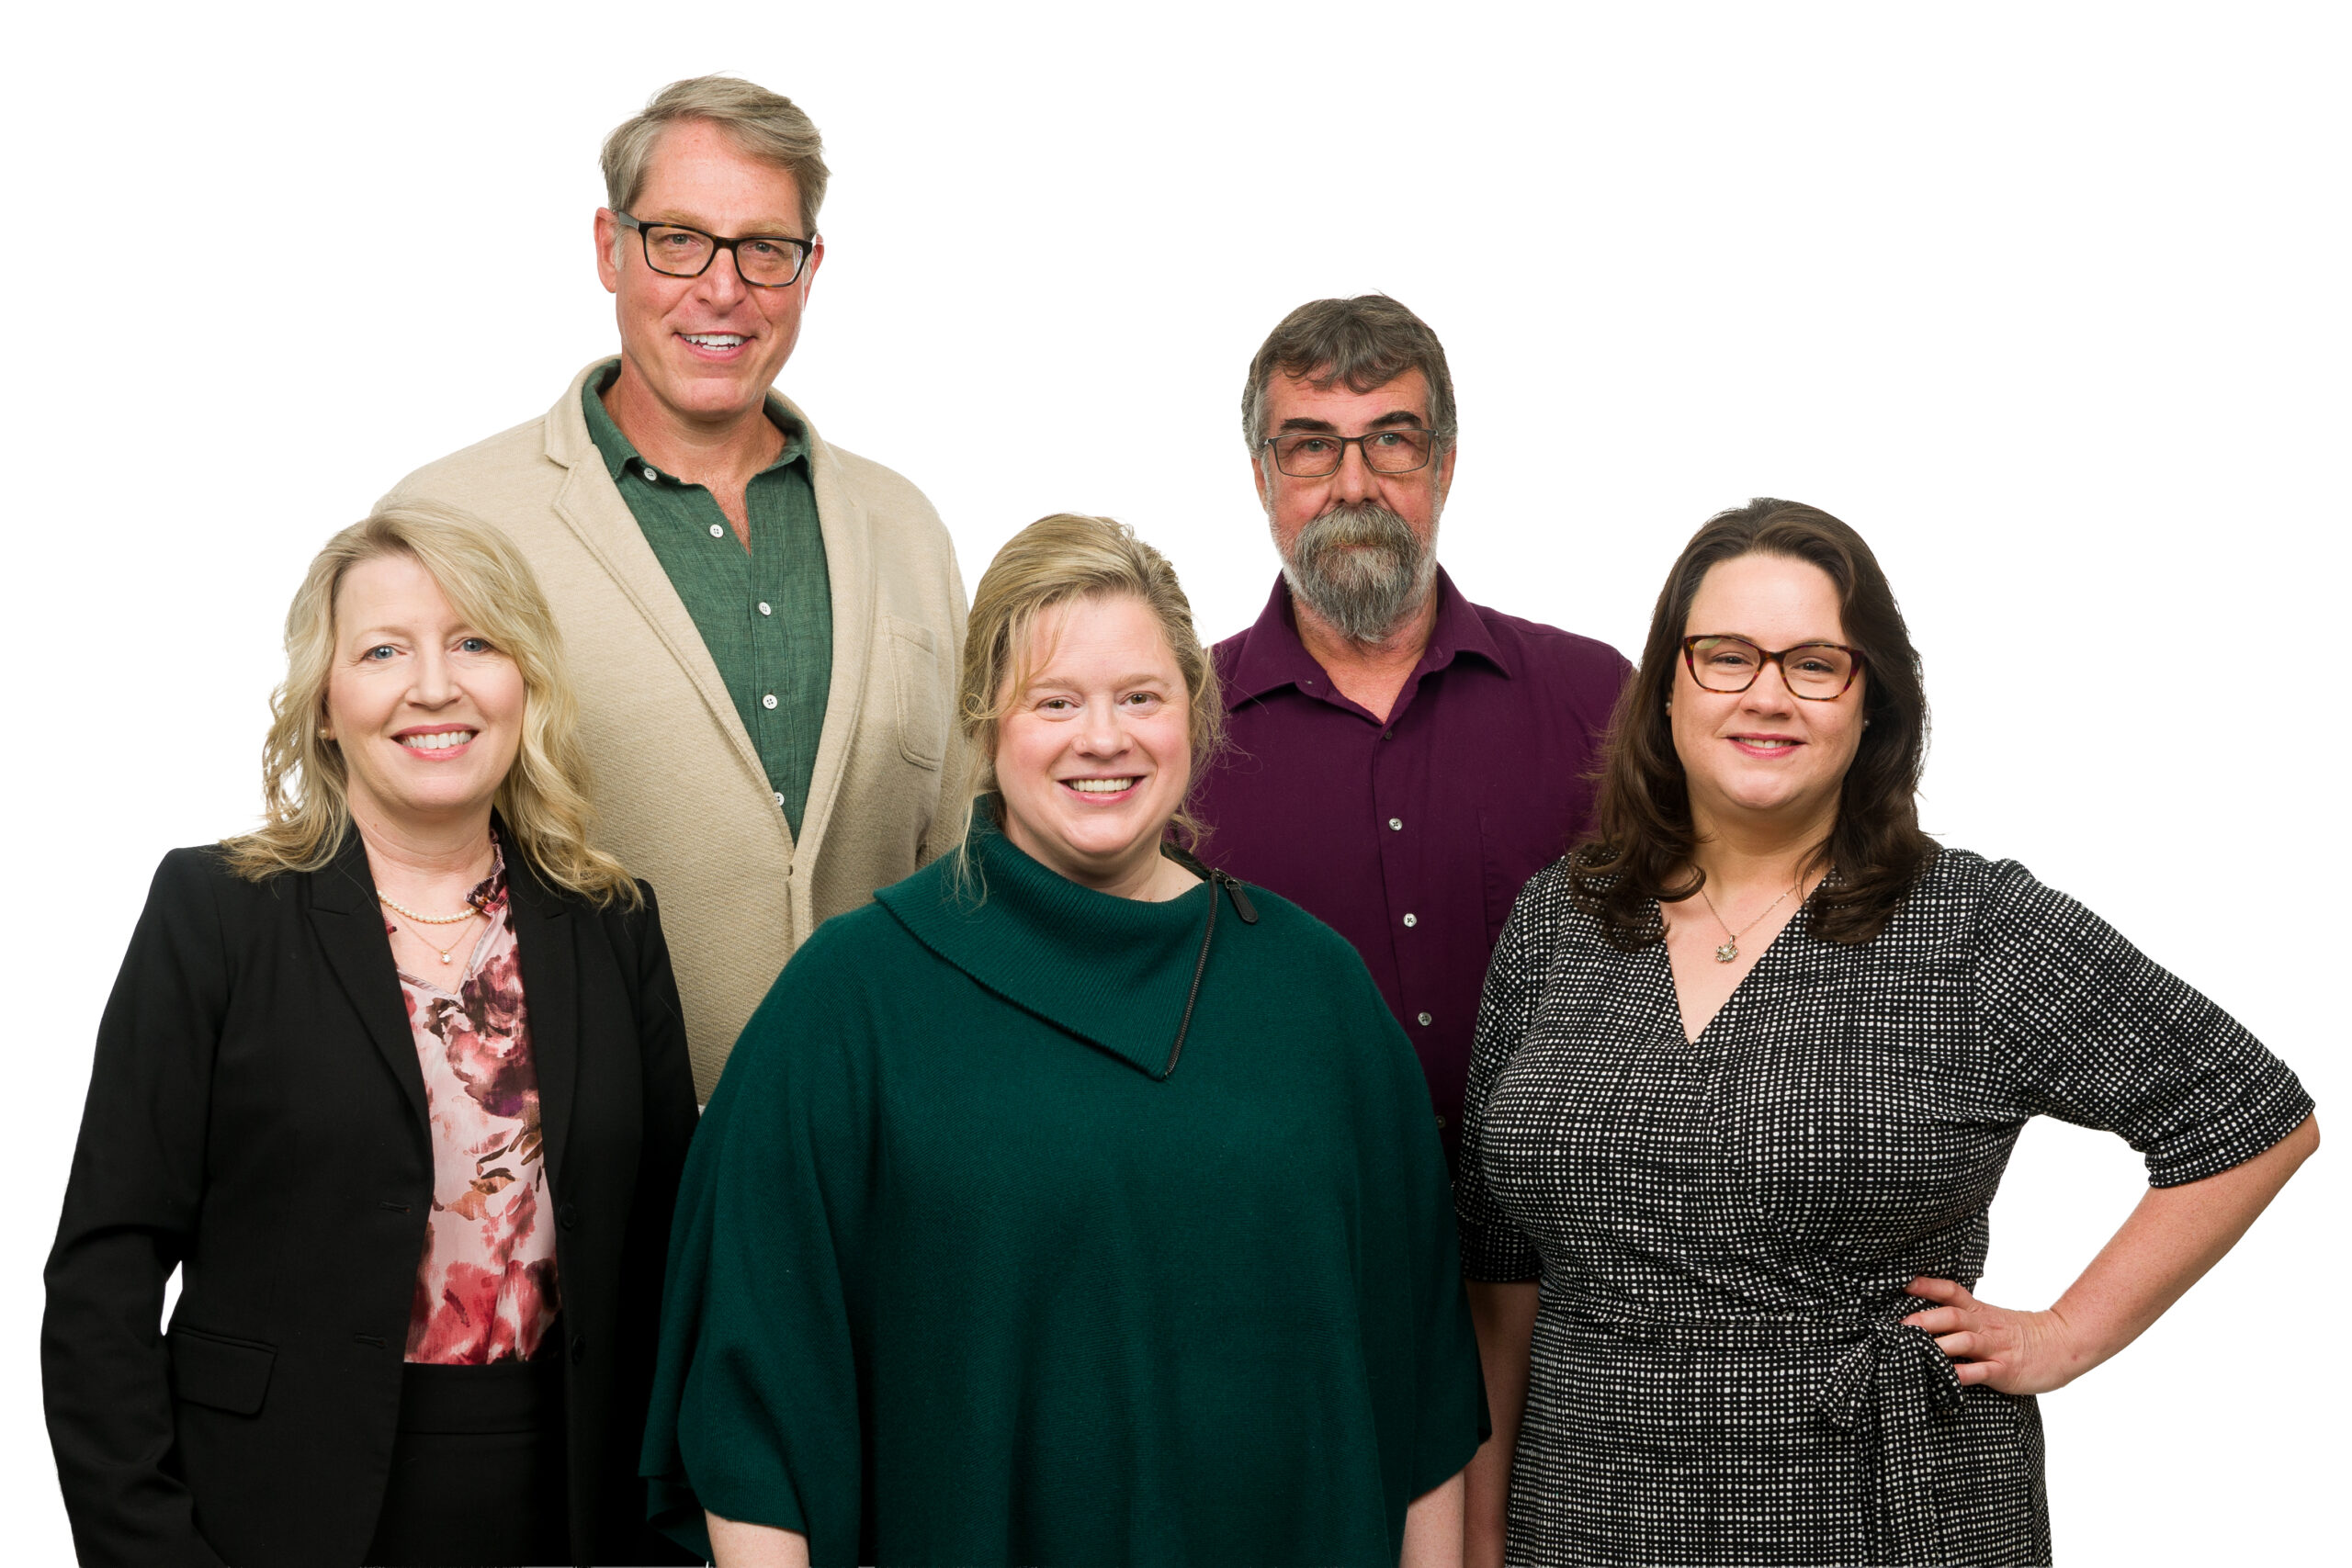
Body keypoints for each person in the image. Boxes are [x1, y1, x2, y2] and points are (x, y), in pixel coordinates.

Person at [1455, 498, 2318, 1567]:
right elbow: (1497, 1270)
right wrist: (1477, 1534)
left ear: (1871, 705)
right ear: (1668, 689)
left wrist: (2065, 1334)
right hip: (1583, 1510)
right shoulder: (1561, 920)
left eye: (1816, 663)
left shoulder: (1973, 926)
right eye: (1726, 656)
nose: (1766, 693)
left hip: (1876, 1507)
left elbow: (2249, 1115)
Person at [641, 513, 1487, 1567]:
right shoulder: (850, 1003)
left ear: (1196, 710)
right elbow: (750, 1409)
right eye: (1055, 701)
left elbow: (1423, 1397)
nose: (1104, 737)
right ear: (985, 725)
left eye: (1140, 696)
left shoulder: (1317, 994)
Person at [42, 504, 700, 1567]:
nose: (433, 685)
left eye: (475, 642)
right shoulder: (215, 911)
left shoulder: (612, 924)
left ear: (523, 683)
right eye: (384, 650)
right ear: (323, 701)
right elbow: (101, 1276)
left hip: (572, 1506)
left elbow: (676, 1257)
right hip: (268, 1509)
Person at [381, 75, 967, 1098]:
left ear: (809, 267)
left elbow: (966, 846)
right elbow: (370, 867)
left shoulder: (903, 524)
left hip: (885, 1145)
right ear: (609, 247)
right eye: (679, 240)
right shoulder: (450, 523)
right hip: (576, 1160)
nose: (722, 288)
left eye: (764, 249)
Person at [1193, 294, 1630, 1170]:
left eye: (1392, 439)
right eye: (1312, 445)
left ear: (1447, 463)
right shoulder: (1176, 728)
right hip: (1290, 1250)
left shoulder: (1597, 698)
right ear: (1260, 474)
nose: (1355, 484)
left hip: (1568, 1262)